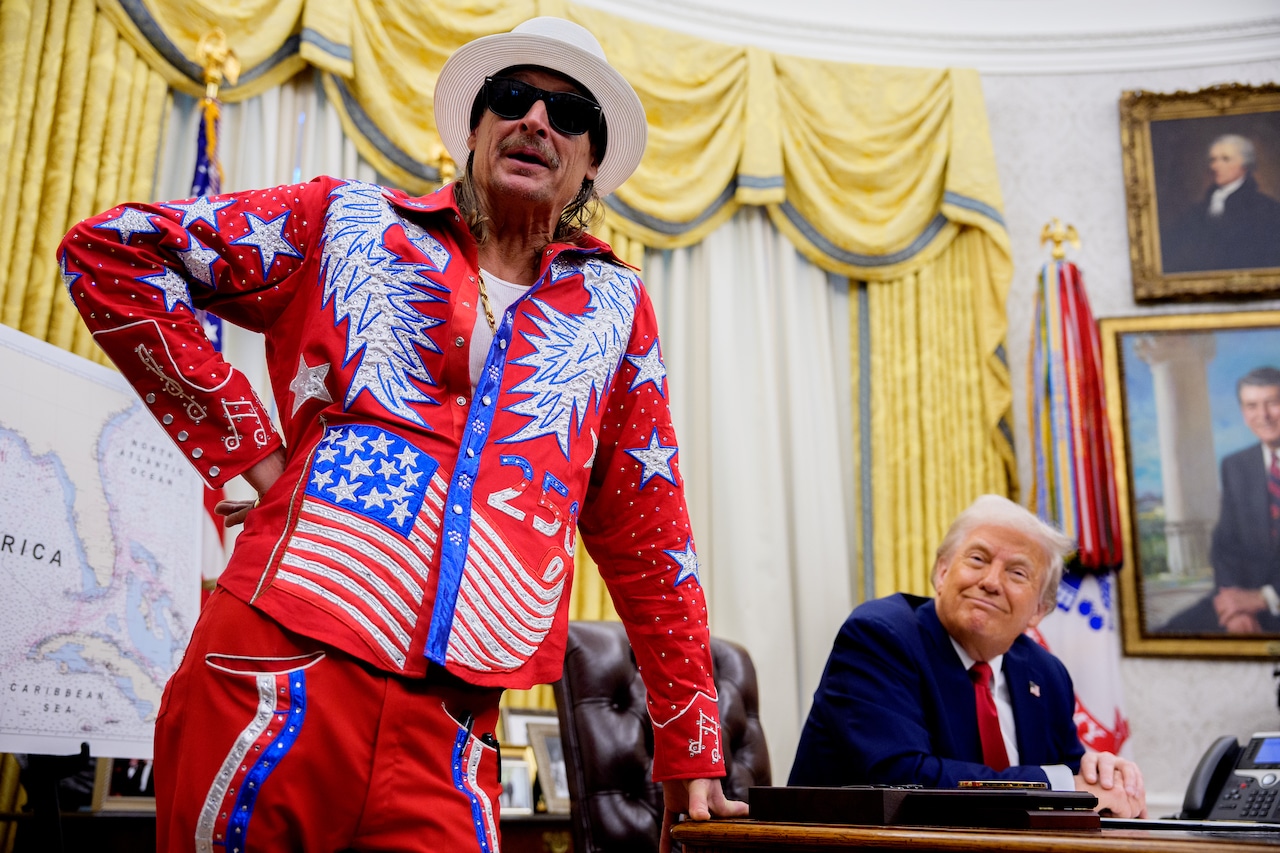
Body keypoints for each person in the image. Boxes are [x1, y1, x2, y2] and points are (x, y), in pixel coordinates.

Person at [58, 17, 745, 851]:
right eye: (512, 98)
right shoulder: (345, 221)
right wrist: (257, 459)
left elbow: (651, 535)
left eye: (569, 115)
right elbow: (112, 254)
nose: (536, 121)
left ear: (591, 161)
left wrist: (690, 747)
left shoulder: (614, 308)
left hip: (453, 726)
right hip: (272, 668)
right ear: (474, 128)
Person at [788, 495, 1147, 818]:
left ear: (1039, 610)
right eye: (978, 559)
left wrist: (1103, 778)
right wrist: (1059, 786)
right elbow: (902, 780)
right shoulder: (880, 637)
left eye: (1017, 572)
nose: (991, 581)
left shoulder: (1046, 673)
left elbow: (1072, 777)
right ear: (942, 572)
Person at [1163, 367, 1280, 634]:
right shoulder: (1236, 465)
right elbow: (1225, 545)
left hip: (1272, 600)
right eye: (1252, 406)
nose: (1263, 416)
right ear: (1243, 413)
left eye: (1273, 403)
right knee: (1168, 634)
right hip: (1242, 599)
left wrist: (1266, 598)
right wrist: (1234, 607)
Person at [1162, 134, 1280, 274]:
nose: (1214, 166)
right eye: (1213, 159)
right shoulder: (1198, 210)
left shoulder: (1267, 208)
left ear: (1245, 165)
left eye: (1225, 159)